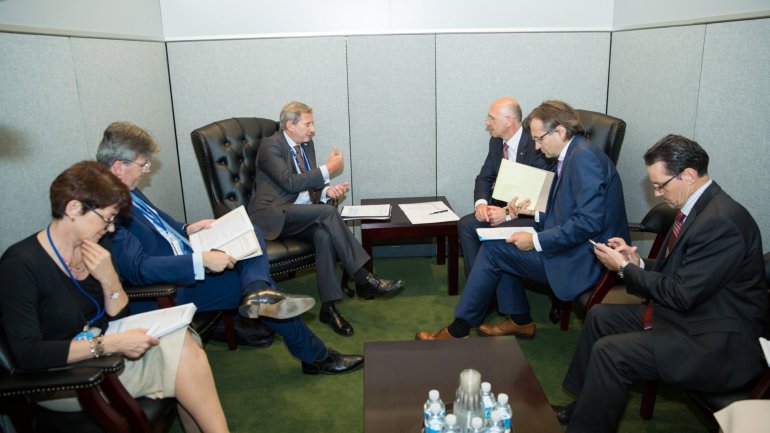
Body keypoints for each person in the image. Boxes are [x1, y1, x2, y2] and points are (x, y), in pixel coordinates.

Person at [98, 121, 363, 375]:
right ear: (119, 166)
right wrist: (201, 260)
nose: (146, 171)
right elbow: (138, 269)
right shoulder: (106, 208)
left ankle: (258, 290)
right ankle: (310, 349)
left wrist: (187, 228)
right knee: (270, 299)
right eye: (143, 165)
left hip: (188, 257)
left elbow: (160, 223)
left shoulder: (125, 189)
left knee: (252, 231)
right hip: (166, 289)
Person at [552, 134, 768, 433]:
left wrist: (625, 269)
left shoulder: (721, 223)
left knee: (611, 352)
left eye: (660, 185)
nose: (656, 194)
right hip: (693, 315)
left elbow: (681, 293)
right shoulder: (700, 209)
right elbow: (685, 274)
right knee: (600, 316)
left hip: (715, 342)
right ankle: (584, 407)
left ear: (688, 175)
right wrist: (637, 261)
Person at [0, 161, 230, 432]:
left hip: (103, 352)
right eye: (106, 219)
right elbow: (29, 354)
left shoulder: (97, 247)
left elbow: (116, 316)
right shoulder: (21, 265)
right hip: (65, 378)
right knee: (184, 358)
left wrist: (109, 279)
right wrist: (108, 344)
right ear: (73, 208)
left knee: (182, 343)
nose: (110, 229)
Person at [416, 100, 629, 341]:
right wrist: (532, 213)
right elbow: (564, 209)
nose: (536, 147)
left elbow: (587, 224)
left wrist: (536, 240)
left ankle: (460, 330)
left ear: (559, 131)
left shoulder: (583, 159)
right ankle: (519, 320)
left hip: (586, 257)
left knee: (496, 250)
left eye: (539, 139)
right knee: (502, 242)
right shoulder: (573, 152)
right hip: (569, 243)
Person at [248, 101, 404, 336]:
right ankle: (363, 278)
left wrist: (325, 191)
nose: (313, 130)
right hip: (272, 215)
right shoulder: (271, 147)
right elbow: (289, 183)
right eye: (308, 124)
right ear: (290, 125)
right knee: (329, 212)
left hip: (298, 213)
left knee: (323, 235)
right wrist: (327, 170)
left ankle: (329, 309)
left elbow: (306, 187)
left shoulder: (306, 145)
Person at [458, 96, 556, 277]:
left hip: (530, 215)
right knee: (466, 224)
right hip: (502, 208)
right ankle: (479, 286)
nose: (488, 123)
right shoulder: (496, 141)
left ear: (509, 121)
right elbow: (484, 177)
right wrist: (481, 204)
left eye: (492, 118)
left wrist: (508, 215)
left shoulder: (536, 144)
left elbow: (539, 197)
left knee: (496, 234)